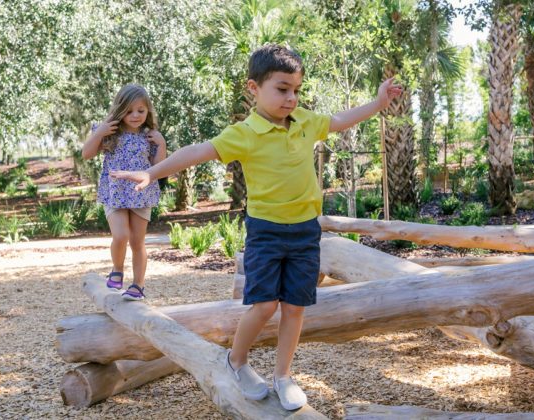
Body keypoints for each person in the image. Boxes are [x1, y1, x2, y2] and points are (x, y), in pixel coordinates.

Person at [111, 45, 402, 409]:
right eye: (282, 89)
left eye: (296, 89)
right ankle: (237, 360)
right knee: (264, 305)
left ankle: (283, 376)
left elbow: (342, 119)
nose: (291, 98)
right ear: (254, 88)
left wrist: (377, 103)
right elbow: (197, 151)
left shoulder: (307, 122)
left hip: (305, 232)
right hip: (266, 231)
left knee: (295, 307)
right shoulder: (244, 133)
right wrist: (152, 172)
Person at [82, 83, 166, 301]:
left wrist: (162, 144)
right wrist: (99, 133)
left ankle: (138, 286)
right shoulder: (110, 131)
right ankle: (117, 269)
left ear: (148, 111)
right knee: (121, 236)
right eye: (129, 111)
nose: (135, 115)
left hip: (141, 193)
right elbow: (87, 154)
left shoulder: (149, 136)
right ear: (120, 109)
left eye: (141, 110)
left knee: (138, 242)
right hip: (115, 192)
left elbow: (159, 167)